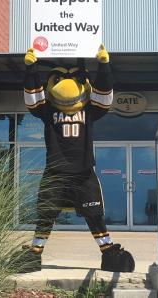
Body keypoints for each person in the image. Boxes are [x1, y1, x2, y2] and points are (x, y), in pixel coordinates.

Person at [20, 44, 135, 273]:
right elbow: (33, 101)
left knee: (94, 214)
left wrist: (104, 66)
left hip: (83, 171)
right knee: (45, 213)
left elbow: (104, 97)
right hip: (55, 170)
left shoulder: (90, 110)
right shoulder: (48, 111)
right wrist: (31, 71)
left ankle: (108, 252)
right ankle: (34, 253)